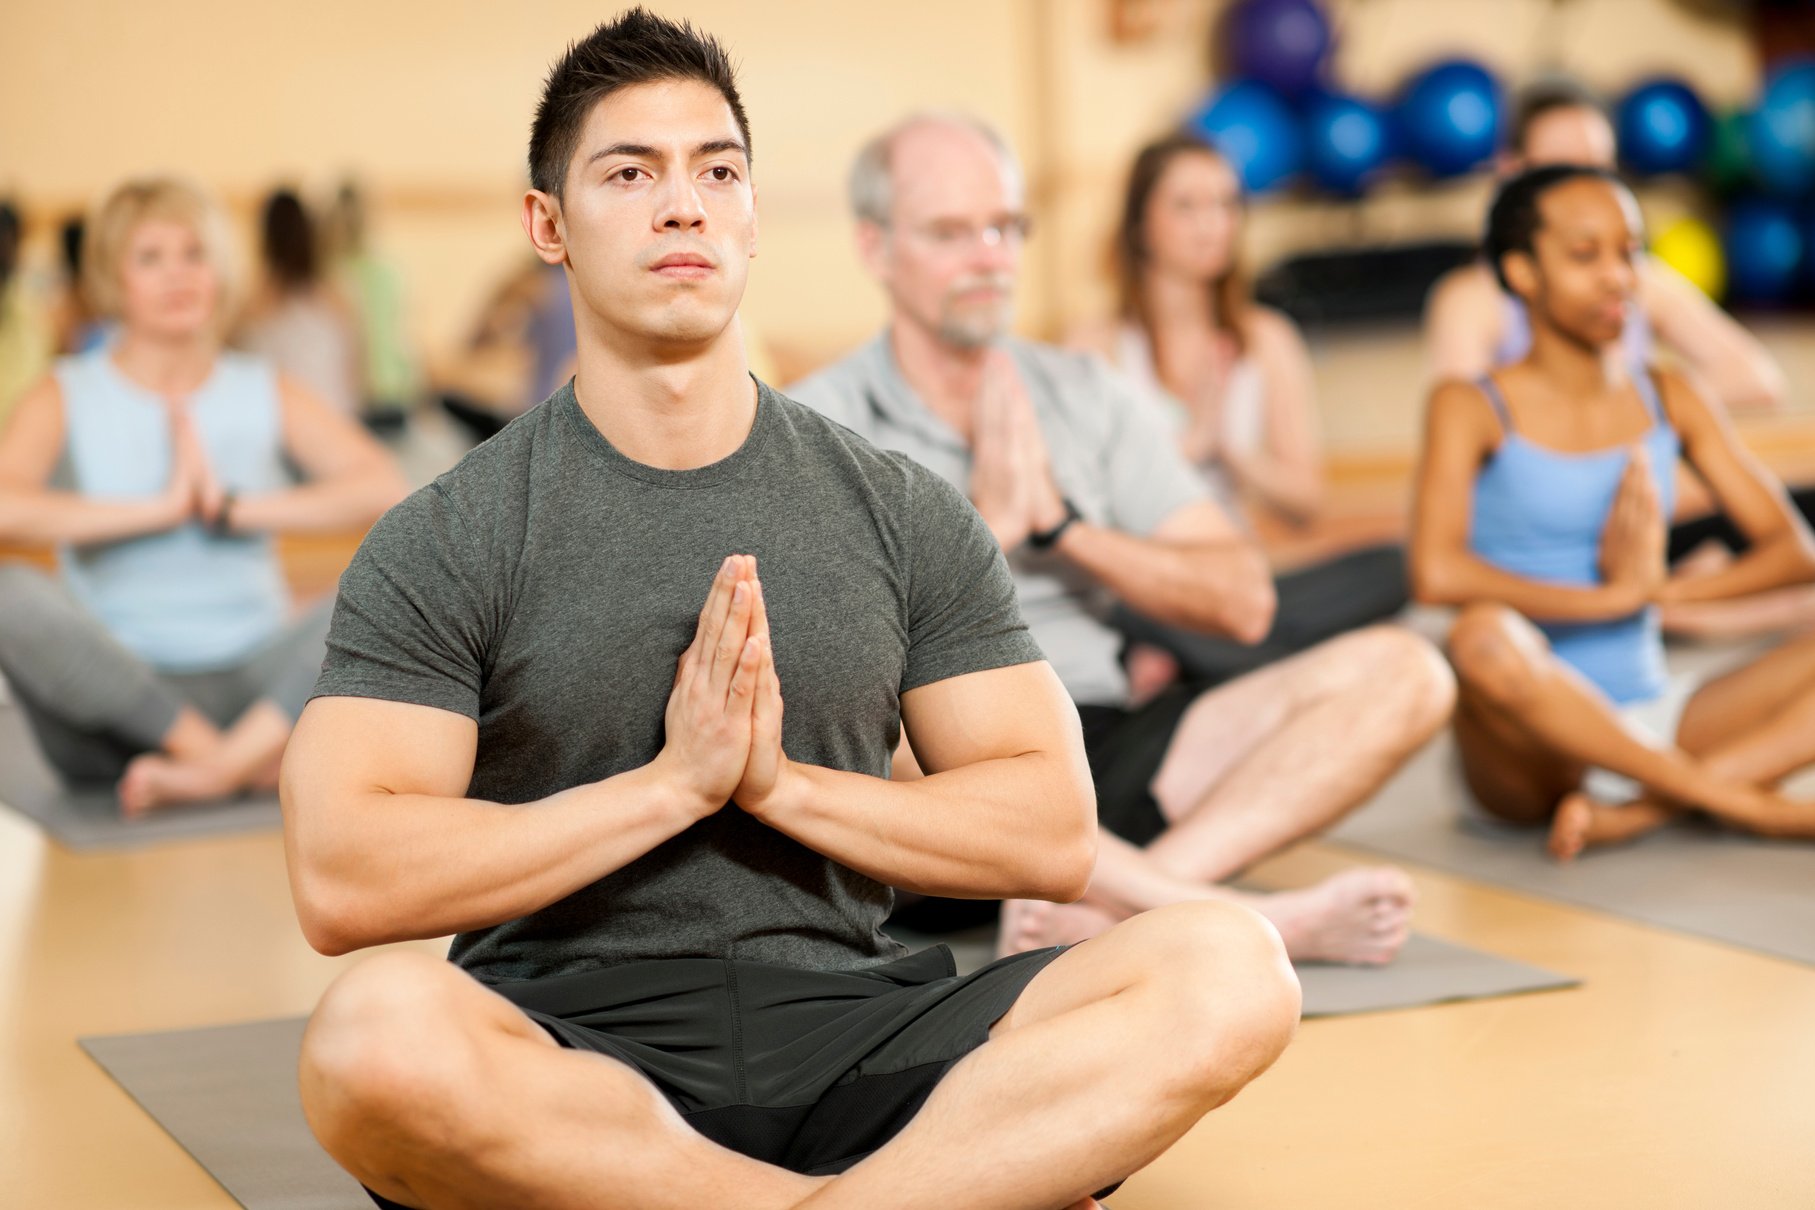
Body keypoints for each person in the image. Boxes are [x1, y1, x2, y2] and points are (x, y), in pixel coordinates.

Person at [284, 14, 1300, 1210]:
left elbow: (1050, 832)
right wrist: (669, 788)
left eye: (718, 171)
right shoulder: (451, 534)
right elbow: (343, 879)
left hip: (865, 1036)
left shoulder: (896, 509)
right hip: (569, 1055)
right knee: (370, 1041)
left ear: (753, 215)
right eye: (630, 173)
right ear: (546, 225)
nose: (684, 206)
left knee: (1230, 965)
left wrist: (781, 789)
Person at [790, 112, 1455, 964]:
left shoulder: (1083, 394)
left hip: (1097, 738)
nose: (988, 255)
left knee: (1408, 673)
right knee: (861, 738)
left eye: (1004, 227)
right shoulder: (816, 428)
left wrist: (1065, 529)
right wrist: (984, 533)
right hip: (942, 778)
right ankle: (1218, 914)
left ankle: (1114, 909)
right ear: (876, 248)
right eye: (949, 232)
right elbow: (835, 673)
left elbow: (1245, 600)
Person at [1412, 165, 1815, 860]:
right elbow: (1436, 574)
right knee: (1478, 636)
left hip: (1655, 713)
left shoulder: (1671, 395)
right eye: (1582, 254)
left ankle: (1639, 811)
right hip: (1528, 743)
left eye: (1628, 252)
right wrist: (1611, 599)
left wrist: (1660, 591)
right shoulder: (1469, 406)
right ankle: (1728, 799)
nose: (1616, 276)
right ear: (1521, 272)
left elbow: (1794, 552)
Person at [0, 177, 406, 814]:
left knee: (394, 578)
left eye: (194, 254)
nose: (177, 275)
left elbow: (383, 487)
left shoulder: (262, 386)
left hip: (257, 688)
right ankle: (224, 763)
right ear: (113, 277)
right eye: (150, 258)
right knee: (9, 593)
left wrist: (233, 509)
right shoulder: (66, 390)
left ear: (219, 271)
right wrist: (155, 511)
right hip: (115, 711)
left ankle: (218, 765)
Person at [1424, 77, 1815, 641]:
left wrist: (1625, 420)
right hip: (1544, 538)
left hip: (1643, 520)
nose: (1589, 188)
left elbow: (1756, 379)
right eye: (1563, 168)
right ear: (1512, 172)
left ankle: (1682, 606)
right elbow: (1462, 470)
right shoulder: (1470, 300)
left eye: (1601, 168)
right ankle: (1686, 614)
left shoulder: (1641, 300)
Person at [1074, 131, 1408, 689]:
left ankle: (1207, 659)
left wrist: (1230, 450)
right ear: (1139, 225)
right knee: (1120, 614)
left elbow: (1306, 504)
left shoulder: (1267, 339)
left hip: (1239, 589)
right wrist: (1188, 447)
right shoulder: (1092, 348)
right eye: (1187, 206)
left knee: (1400, 565)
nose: (1212, 223)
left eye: (1226, 204)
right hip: (1144, 591)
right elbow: (1080, 514)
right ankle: (1235, 659)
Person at [239, 188, 363, 416]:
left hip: (289, 423)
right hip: (339, 417)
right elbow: (357, 372)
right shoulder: (337, 295)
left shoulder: (253, 304)